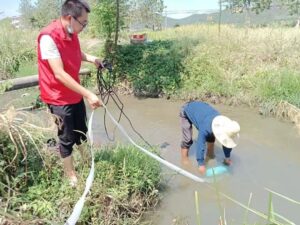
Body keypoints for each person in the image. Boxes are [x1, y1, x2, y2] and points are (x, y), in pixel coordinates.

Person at [37, 0, 102, 186]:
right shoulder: (48, 37)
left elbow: (77, 52)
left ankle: (87, 161)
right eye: (83, 23)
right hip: (58, 97)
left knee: (81, 131)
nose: (84, 27)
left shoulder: (72, 33)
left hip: (74, 93)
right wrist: (89, 94)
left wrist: (93, 59)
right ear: (69, 18)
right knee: (66, 138)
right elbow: (59, 73)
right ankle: (70, 174)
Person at [179, 101, 240, 175]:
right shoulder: (206, 128)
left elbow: (226, 142)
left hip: (202, 109)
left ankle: (210, 154)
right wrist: (201, 164)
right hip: (187, 110)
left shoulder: (224, 125)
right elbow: (200, 145)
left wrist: (227, 157)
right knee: (187, 139)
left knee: (211, 137)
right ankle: (184, 159)